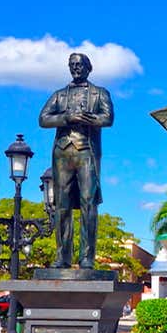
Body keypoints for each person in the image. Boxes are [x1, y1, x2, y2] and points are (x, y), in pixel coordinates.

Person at [39, 53, 114, 269]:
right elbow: (43, 119)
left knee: (88, 203)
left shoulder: (99, 93)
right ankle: (63, 257)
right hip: (62, 153)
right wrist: (66, 118)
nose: (76, 68)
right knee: (61, 205)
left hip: (86, 152)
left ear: (88, 68)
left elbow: (108, 118)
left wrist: (90, 119)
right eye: (72, 65)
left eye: (79, 65)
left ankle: (87, 257)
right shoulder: (59, 95)